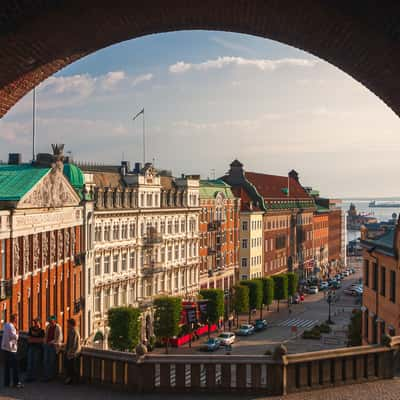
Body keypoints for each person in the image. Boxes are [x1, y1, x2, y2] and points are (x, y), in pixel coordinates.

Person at [1, 314, 23, 388]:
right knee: (15, 367)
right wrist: (17, 331)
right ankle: (16, 383)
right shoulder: (12, 327)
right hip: (11, 350)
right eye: (17, 319)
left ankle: (6, 383)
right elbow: (15, 337)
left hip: (4, 348)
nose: (17, 320)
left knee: (6, 367)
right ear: (15, 319)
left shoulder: (6, 325)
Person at [43, 315, 63, 381]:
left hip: (53, 346)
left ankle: (51, 376)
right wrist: (45, 342)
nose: (50, 323)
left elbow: (60, 338)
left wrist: (52, 342)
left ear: (54, 321)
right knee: (46, 361)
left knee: (52, 361)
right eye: (49, 321)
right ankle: (46, 375)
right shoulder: (48, 326)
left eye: (51, 321)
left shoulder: (58, 328)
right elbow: (46, 335)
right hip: (47, 345)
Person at [64, 319, 81, 385]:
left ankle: (74, 381)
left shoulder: (74, 331)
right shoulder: (71, 331)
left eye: (68, 324)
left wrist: (69, 352)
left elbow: (73, 344)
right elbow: (69, 342)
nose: (67, 325)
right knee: (70, 367)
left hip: (74, 353)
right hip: (71, 352)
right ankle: (70, 380)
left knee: (73, 367)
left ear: (71, 324)